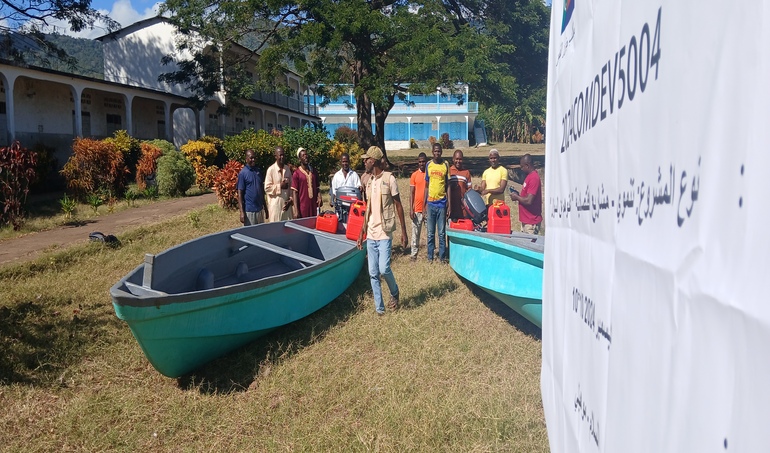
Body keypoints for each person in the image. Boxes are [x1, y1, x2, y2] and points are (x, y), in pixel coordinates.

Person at [357, 146, 408, 315]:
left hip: (385, 232)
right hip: (371, 234)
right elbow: (368, 210)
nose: (364, 162)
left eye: (367, 159)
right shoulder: (369, 181)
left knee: (384, 269)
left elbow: (398, 205)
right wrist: (361, 232)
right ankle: (380, 309)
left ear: (374, 161)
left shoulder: (389, 179)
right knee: (373, 273)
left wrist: (404, 232)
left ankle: (395, 292)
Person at [422, 143, 451, 263]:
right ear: (432, 152)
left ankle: (442, 258)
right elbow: (426, 186)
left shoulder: (445, 165)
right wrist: (424, 204)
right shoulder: (428, 165)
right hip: (431, 204)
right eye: (435, 151)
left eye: (439, 151)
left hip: (442, 204)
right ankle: (430, 257)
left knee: (441, 233)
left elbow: (448, 185)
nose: (437, 153)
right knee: (430, 233)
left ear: (441, 152)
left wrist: (449, 203)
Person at [509, 154, 543, 234]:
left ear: (527, 165)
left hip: (531, 222)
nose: (521, 169)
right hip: (526, 220)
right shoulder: (529, 176)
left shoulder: (534, 178)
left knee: (529, 242)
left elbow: (528, 200)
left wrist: (516, 197)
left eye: (522, 167)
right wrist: (518, 195)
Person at [264, 146, 293, 222]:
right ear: (275, 156)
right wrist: (280, 186)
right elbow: (267, 188)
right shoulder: (271, 170)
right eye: (280, 155)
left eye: (283, 155)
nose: (282, 157)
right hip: (275, 207)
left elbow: (291, 187)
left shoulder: (287, 169)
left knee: (288, 227)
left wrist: (290, 200)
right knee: (275, 228)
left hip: (287, 207)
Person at [236, 149, 266, 226]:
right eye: (251, 158)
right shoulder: (243, 173)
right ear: (246, 159)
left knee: (260, 232)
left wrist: (265, 207)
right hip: (249, 211)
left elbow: (261, 191)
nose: (253, 160)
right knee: (251, 232)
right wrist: (241, 212)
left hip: (260, 209)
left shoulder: (258, 171)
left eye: (254, 158)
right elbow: (240, 194)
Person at [291, 147, 322, 218]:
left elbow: (317, 187)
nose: (306, 157)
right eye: (303, 155)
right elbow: (294, 192)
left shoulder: (314, 172)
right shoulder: (297, 173)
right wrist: (296, 210)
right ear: (299, 159)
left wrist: (319, 196)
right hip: (303, 208)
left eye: (306, 155)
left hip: (313, 206)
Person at [409, 152, 428, 261]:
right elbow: (411, 193)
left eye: (423, 161)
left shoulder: (429, 174)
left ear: (426, 162)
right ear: (418, 162)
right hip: (417, 209)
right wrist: (411, 209)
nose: (421, 163)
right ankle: (413, 254)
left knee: (429, 233)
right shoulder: (414, 175)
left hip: (428, 209)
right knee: (415, 233)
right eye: (420, 162)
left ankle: (430, 253)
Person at [448, 149, 472, 222]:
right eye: (456, 159)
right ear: (453, 159)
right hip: (451, 207)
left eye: (460, 159)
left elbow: (469, 190)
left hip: (463, 209)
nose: (458, 161)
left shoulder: (466, 172)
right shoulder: (449, 171)